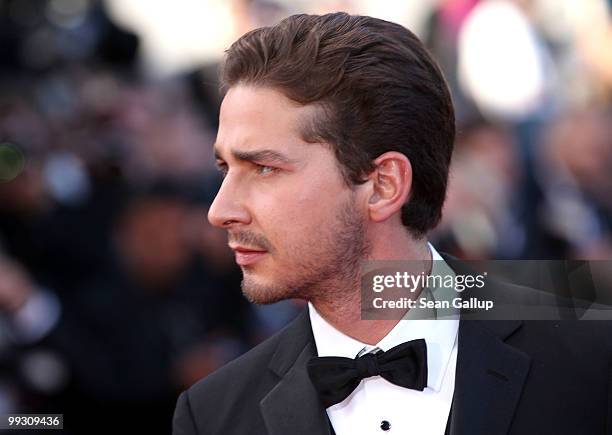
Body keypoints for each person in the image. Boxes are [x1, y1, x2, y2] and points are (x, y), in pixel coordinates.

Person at [173, 13, 612, 435]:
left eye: (264, 169)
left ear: (384, 185)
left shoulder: (591, 357)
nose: (219, 210)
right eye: (223, 169)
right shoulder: (213, 415)